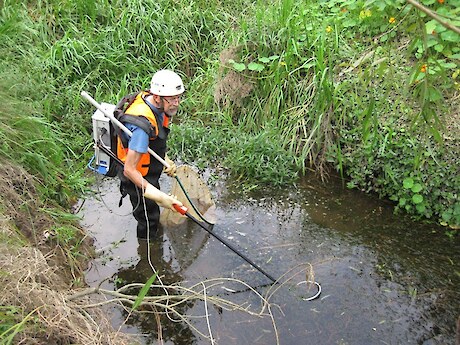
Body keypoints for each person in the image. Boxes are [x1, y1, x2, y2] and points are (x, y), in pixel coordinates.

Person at [117, 69, 184, 239]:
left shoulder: (157, 106)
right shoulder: (141, 127)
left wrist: (164, 160)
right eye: (171, 99)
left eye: (178, 97)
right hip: (137, 175)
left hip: (148, 166)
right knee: (148, 218)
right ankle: (148, 251)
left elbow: (153, 142)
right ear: (157, 97)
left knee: (152, 208)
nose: (176, 103)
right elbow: (129, 170)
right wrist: (159, 196)